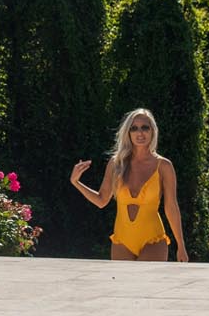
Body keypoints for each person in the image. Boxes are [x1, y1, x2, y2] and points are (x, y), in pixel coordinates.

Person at [70, 108, 189, 262]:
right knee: (122, 286)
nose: (140, 133)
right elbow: (101, 200)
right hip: (122, 240)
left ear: (153, 131)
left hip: (153, 240)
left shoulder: (164, 166)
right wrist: (76, 182)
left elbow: (171, 207)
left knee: (145, 285)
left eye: (145, 127)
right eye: (134, 128)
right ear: (128, 133)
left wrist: (181, 245)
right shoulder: (116, 164)